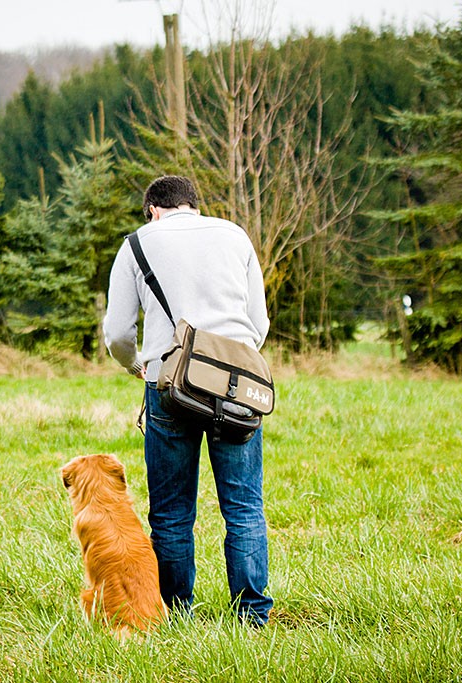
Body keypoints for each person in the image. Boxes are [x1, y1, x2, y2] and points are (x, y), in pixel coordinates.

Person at [103, 175, 273, 627]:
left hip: (167, 386)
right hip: (236, 388)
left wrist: (136, 365)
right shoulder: (235, 235)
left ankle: (176, 615)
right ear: (193, 205)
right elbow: (259, 323)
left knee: (173, 511)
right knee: (243, 505)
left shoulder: (137, 244)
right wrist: (225, 360)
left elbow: (118, 332)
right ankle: (253, 618)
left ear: (153, 210)